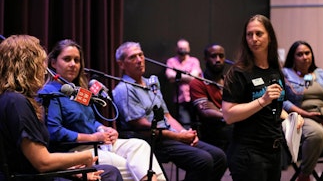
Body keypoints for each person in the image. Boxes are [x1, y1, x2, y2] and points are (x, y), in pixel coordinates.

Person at [40, 39, 165, 181]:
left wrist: (104, 129)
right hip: (75, 150)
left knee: (141, 146)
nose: (73, 64)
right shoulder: (49, 92)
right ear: (53, 63)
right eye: (67, 59)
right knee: (131, 167)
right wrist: (93, 137)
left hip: (98, 144)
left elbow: (90, 120)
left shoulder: (79, 91)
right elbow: (55, 131)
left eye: (77, 60)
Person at [0, 35, 122, 181]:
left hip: (38, 172)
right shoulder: (16, 102)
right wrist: (84, 157)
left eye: (77, 60)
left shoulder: (12, 99)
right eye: (41, 64)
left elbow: (30, 160)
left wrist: (69, 169)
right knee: (109, 173)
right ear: (29, 66)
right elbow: (42, 162)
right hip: (32, 177)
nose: (44, 71)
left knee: (109, 170)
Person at [113, 41, 228, 181]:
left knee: (219, 157)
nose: (139, 60)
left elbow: (167, 116)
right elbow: (140, 125)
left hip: (169, 135)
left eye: (141, 55)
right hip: (152, 140)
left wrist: (184, 132)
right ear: (121, 64)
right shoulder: (123, 89)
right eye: (133, 57)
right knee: (203, 160)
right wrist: (178, 137)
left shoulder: (151, 82)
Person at [222, 14, 285, 181]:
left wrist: (292, 117)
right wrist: (262, 101)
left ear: (269, 37)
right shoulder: (238, 72)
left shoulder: (275, 70)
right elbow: (228, 115)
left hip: (274, 150)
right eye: (249, 35)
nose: (254, 39)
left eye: (259, 34)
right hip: (249, 153)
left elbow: (277, 107)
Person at [282, 40, 323, 181]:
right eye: (299, 54)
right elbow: (282, 101)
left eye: (307, 53)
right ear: (293, 57)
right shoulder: (285, 74)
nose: (305, 57)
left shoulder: (321, 74)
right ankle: (304, 175)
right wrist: (307, 114)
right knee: (317, 135)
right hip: (301, 116)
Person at [189, 43, 233, 153]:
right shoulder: (197, 82)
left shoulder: (230, 81)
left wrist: (221, 111)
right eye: (213, 56)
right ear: (205, 59)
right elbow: (206, 111)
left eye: (221, 56)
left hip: (232, 128)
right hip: (211, 132)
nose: (218, 60)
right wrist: (231, 114)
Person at [165, 38, 202, 129]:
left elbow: (194, 77)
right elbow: (169, 76)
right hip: (180, 99)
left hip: (195, 98)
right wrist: (187, 77)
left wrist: (178, 77)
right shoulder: (171, 61)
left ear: (189, 49)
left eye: (185, 48)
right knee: (185, 124)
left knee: (197, 123)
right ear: (176, 49)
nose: (183, 50)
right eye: (180, 48)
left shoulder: (194, 61)